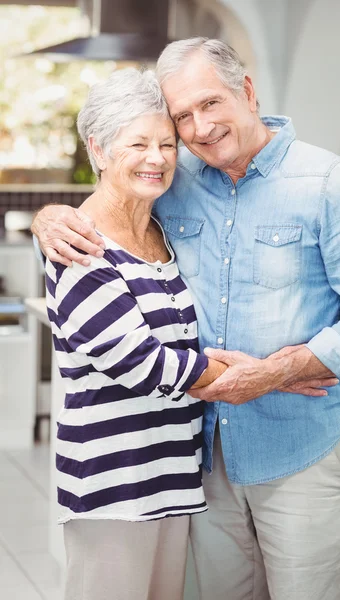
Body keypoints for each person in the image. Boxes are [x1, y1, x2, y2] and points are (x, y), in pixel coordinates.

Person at [33, 39, 340, 600]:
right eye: (182, 117)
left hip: (299, 449)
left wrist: (279, 370)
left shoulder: (327, 182)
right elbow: (116, 190)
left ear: (247, 92)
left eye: (210, 104)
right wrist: (49, 216)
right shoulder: (178, 183)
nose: (197, 129)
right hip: (203, 459)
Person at [44, 67, 230, 600]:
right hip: (113, 480)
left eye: (168, 144)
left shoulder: (162, 229)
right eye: (139, 143)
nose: (157, 157)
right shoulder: (81, 245)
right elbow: (140, 362)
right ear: (98, 149)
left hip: (170, 471)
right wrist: (256, 375)